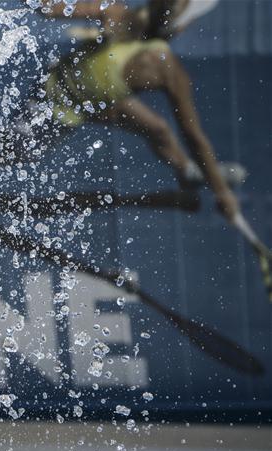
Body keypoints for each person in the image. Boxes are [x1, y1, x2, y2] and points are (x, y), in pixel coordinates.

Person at [20, 0, 272, 297]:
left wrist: (48, 7)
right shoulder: (161, 62)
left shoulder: (120, 16)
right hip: (55, 107)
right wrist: (223, 194)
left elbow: (57, 8)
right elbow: (195, 138)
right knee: (10, 156)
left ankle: (188, 171)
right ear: (179, 26)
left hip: (81, 93)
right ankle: (193, 171)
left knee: (159, 130)